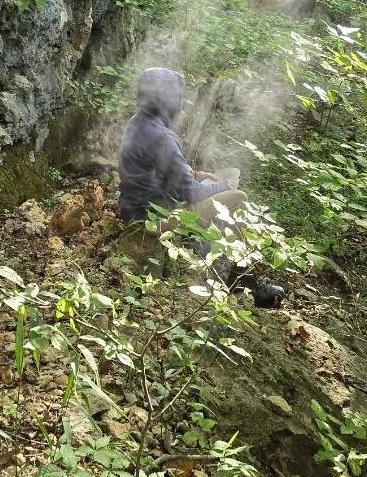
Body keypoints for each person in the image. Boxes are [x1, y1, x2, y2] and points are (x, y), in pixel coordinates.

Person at [118, 67, 284, 307]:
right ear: (167, 99)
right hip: (149, 220)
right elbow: (191, 192)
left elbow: (153, 171)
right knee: (238, 197)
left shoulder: (138, 123)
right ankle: (243, 281)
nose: (180, 104)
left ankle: (207, 257)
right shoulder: (162, 136)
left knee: (212, 189)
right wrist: (226, 184)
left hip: (135, 211)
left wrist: (196, 174)